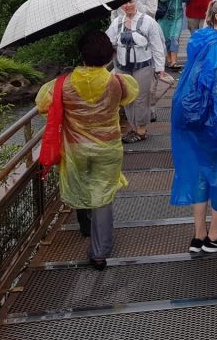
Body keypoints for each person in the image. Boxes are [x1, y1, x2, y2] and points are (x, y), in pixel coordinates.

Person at [35, 31, 140, 270]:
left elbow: (42, 105)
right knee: (102, 196)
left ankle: (84, 224)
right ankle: (99, 251)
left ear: (81, 55)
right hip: (108, 148)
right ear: (108, 55)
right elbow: (129, 97)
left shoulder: (61, 84)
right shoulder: (119, 82)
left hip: (76, 148)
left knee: (81, 183)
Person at [170, 0, 217, 254]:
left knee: (201, 173)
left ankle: (199, 235)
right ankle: (215, 237)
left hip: (190, 117)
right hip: (210, 120)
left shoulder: (200, 38)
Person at [106, 0, 167, 143]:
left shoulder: (148, 22)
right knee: (127, 97)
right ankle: (133, 128)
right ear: (121, 6)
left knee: (141, 97)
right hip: (123, 66)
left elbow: (157, 45)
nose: (128, 5)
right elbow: (109, 40)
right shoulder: (118, 23)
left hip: (143, 65)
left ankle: (141, 129)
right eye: (125, 3)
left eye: (131, 2)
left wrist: (159, 68)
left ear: (136, 2)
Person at [157, 0, 184, 70]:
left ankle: (174, 61)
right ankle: (169, 60)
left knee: (174, 38)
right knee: (167, 39)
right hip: (165, 19)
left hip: (178, 17)